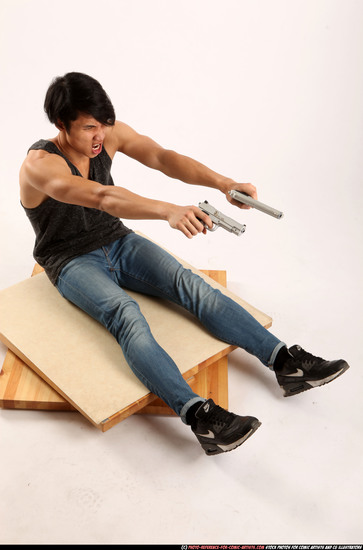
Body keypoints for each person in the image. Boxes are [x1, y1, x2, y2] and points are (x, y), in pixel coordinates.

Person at [19, 72, 349, 456]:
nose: (100, 136)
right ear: (61, 125)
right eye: (89, 127)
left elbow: (163, 158)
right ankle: (200, 417)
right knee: (126, 315)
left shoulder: (107, 135)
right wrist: (167, 211)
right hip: (70, 260)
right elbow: (102, 196)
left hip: (118, 240)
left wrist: (224, 183)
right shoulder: (39, 166)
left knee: (189, 284)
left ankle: (286, 363)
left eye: (104, 125)